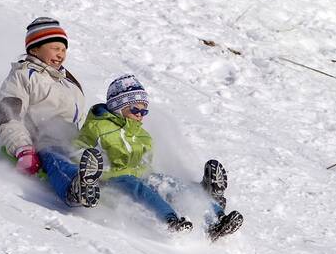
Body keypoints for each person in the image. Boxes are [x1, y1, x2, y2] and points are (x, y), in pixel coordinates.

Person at [74, 74, 243, 239]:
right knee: (141, 190)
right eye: (135, 109)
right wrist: (96, 172)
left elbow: (146, 162)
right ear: (118, 107)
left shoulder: (143, 136)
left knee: (173, 185)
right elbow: (79, 152)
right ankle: (170, 220)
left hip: (140, 176)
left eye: (143, 110)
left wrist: (153, 177)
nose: (140, 114)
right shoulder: (98, 127)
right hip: (112, 179)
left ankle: (217, 219)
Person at [0, 17, 103, 208]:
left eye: (63, 49)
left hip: (70, 141)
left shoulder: (67, 81)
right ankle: (74, 189)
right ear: (34, 49)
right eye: (55, 48)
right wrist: (23, 148)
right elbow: (8, 115)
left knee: (98, 155)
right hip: (39, 141)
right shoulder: (23, 75)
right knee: (55, 156)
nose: (61, 54)